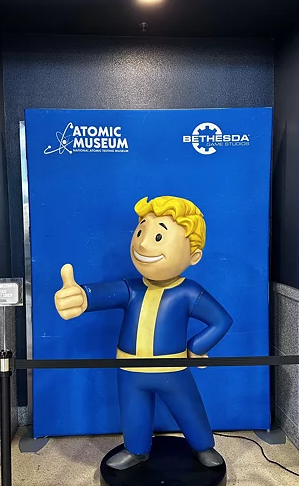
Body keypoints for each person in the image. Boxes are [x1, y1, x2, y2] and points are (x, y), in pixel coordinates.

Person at [54, 196, 233, 470]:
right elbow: (101, 294)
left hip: (172, 369)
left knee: (189, 409)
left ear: (194, 256)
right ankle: (136, 450)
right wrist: (80, 296)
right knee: (133, 412)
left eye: (159, 236)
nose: (144, 244)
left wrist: (196, 347)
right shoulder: (131, 289)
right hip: (130, 370)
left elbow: (221, 320)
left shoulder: (188, 292)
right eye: (140, 232)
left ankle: (203, 446)